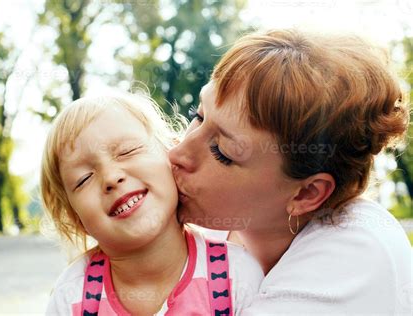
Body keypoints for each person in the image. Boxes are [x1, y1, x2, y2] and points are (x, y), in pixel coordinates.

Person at [169, 29, 412, 314]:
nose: (177, 153)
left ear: (307, 193)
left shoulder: (357, 251)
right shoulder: (214, 231)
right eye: (198, 116)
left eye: (222, 151)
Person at [40, 92, 263, 315]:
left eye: (127, 151)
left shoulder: (237, 276)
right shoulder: (70, 298)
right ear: (74, 218)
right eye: (84, 179)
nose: (110, 177)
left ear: (172, 158)